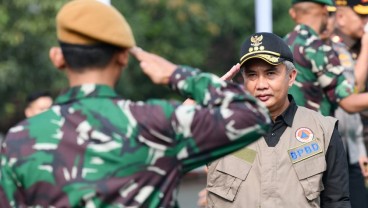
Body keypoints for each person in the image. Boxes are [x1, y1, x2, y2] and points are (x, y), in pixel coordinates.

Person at [0, 1, 271, 207]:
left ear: (57, 57)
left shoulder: (18, 141)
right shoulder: (159, 123)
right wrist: (178, 75)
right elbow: (254, 115)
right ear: (123, 58)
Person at [205, 32, 350, 207]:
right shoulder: (218, 128)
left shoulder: (323, 130)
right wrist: (202, 95)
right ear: (243, 80)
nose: (261, 85)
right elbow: (167, 140)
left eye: (270, 73)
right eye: (252, 75)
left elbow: (337, 201)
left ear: (291, 77)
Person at [285, 0, 368, 117]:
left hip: (285, 128)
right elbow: (349, 103)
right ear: (325, 11)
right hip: (314, 131)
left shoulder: (283, 44)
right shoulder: (319, 49)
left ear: (292, 13)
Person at [331, 1, 368, 207]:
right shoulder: (330, 48)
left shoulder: (353, 46)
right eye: (361, 16)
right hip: (329, 148)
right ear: (341, 17)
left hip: (352, 148)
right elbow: (353, 92)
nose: (365, 21)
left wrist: (359, 149)